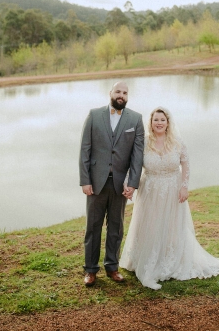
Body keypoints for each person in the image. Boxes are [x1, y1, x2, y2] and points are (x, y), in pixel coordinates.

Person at [120, 106, 219, 290]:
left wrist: (184, 187)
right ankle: (146, 260)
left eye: (162, 120)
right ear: (151, 123)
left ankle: (169, 259)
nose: (159, 123)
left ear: (168, 123)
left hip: (173, 191)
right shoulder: (143, 142)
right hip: (150, 191)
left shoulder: (177, 142)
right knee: (151, 225)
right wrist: (128, 184)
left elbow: (185, 164)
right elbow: (133, 166)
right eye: (155, 120)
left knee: (171, 226)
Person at [79, 81, 144, 286]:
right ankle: (90, 270)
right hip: (96, 184)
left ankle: (112, 267)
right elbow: (85, 150)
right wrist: (85, 180)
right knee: (93, 227)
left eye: (125, 92)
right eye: (118, 91)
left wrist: (132, 183)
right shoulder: (94, 115)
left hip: (120, 184)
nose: (121, 95)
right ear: (110, 93)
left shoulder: (136, 119)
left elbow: (137, 155)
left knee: (116, 227)